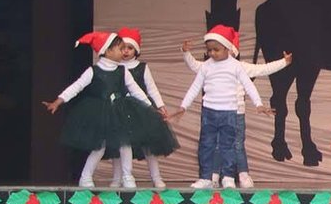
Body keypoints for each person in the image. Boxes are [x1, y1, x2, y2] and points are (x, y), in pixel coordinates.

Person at [44, 31, 158, 188]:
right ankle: (85, 177)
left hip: (120, 111)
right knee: (100, 147)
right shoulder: (94, 71)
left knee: (125, 144)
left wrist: (149, 106)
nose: (123, 52)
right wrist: (59, 100)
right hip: (101, 113)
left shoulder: (122, 71)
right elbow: (77, 86)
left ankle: (127, 176)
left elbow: (135, 90)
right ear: (108, 51)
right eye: (120, 48)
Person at [171, 26, 277, 188]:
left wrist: (259, 104)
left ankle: (228, 177)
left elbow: (248, 85)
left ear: (227, 48)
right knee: (206, 145)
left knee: (228, 146)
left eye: (216, 50)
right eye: (209, 50)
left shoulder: (236, 66)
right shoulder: (206, 66)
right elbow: (195, 87)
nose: (212, 53)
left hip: (229, 112)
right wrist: (183, 106)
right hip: (209, 112)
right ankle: (206, 178)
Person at [106, 28, 177, 190]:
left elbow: (151, 88)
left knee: (148, 145)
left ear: (136, 50)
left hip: (141, 111)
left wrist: (160, 105)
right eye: (122, 48)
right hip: (119, 111)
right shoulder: (114, 68)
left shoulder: (142, 67)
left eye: (130, 48)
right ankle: (117, 178)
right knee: (119, 145)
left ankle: (156, 178)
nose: (126, 51)